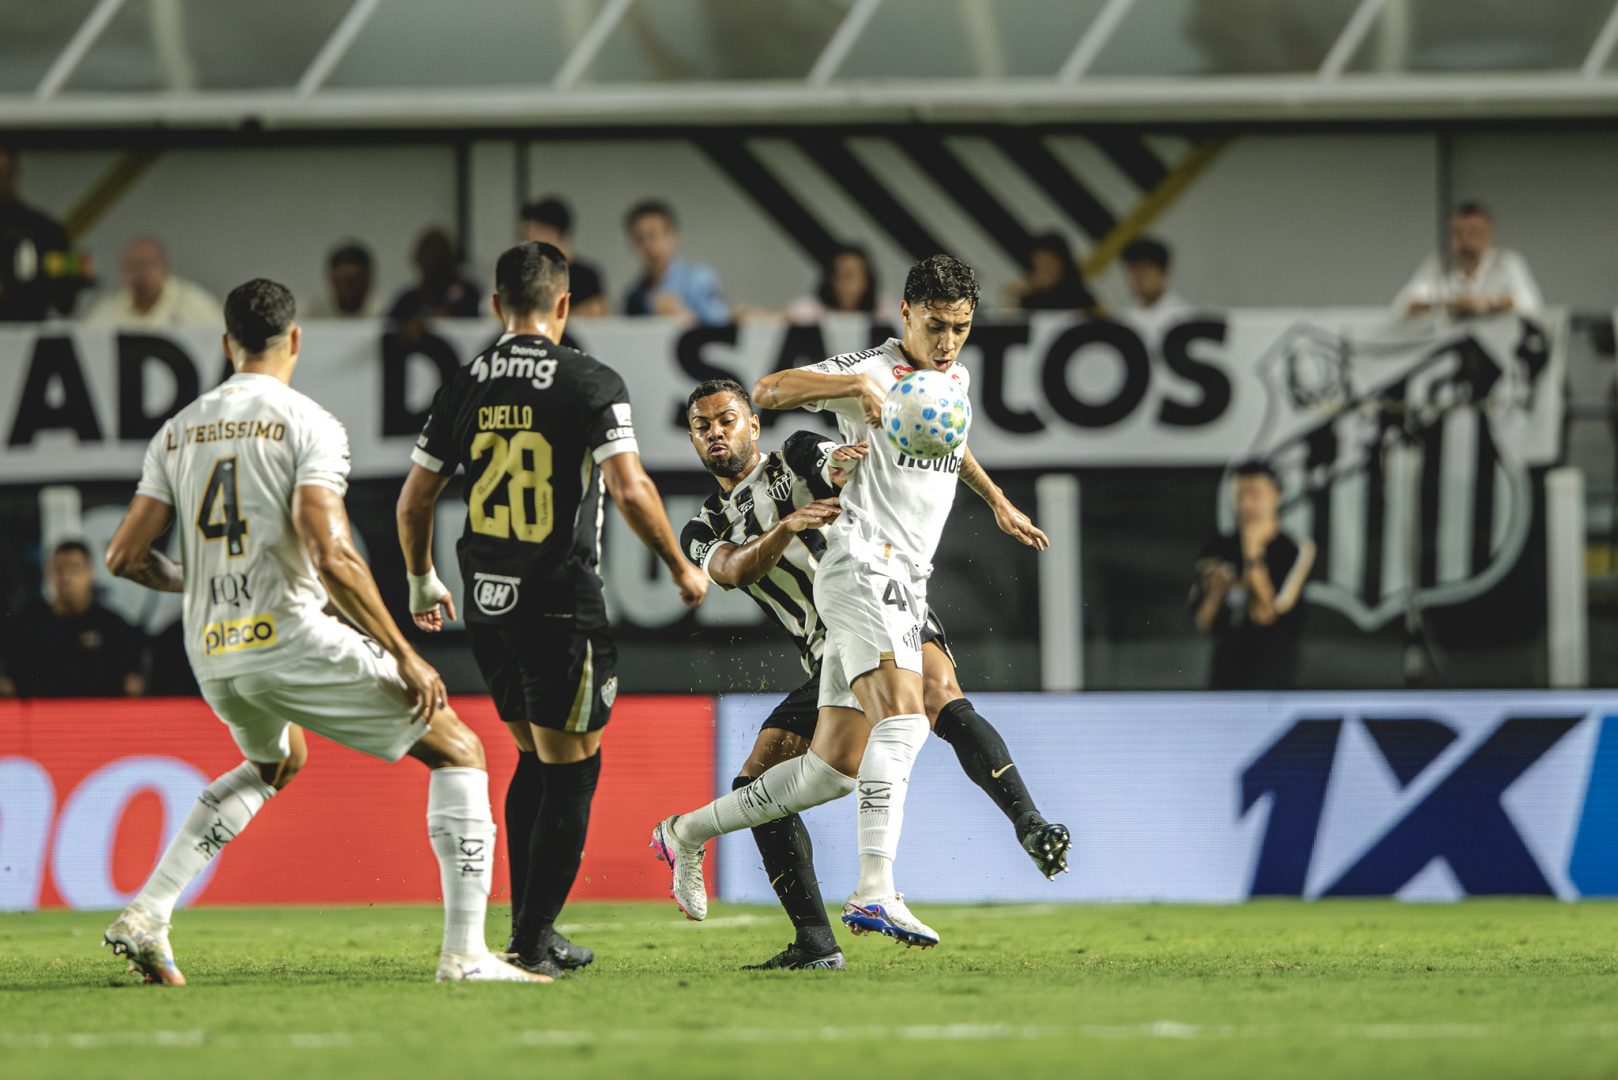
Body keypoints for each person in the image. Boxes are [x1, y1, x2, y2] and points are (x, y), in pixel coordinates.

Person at [100, 278, 542, 985]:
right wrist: (404, 654)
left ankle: (148, 912)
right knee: (459, 749)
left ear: (226, 345)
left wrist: (204, 577)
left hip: (212, 651)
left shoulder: (177, 431)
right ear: (296, 339)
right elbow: (332, 553)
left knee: (278, 762)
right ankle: (466, 955)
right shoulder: (307, 424)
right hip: (289, 636)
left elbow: (122, 556)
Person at [652, 254, 1048, 950]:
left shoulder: (944, 383)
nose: (949, 340)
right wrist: (852, 392)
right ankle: (868, 898)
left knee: (827, 774)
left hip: (859, 610)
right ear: (905, 315)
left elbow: (937, 441)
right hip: (868, 579)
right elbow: (774, 395)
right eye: (936, 325)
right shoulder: (709, 517)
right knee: (916, 715)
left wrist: (999, 501)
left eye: (961, 327)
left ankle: (684, 831)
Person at [397, 241, 707, 977]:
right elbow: (630, 490)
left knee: (535, 758)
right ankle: (533, 944)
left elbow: (415, 499)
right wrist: (679, 567)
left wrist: (419, 581)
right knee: (572, 773)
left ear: (497, 304)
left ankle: (527, 929)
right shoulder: (589, 379)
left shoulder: (465, 381)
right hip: (560, 603)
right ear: (563, 304)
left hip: (488, 603)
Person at [1191, 460, 1315, 690]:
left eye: (1255, 494)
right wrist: (1217, 593)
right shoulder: (1219, 547)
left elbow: (1267, 614)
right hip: (1225, 676)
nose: (1247, 504)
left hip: (1273, 677)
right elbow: (1203, 620)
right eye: (1240, 496)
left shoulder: (1295, 549)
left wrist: (1252, 551)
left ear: (1276, 495)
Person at [0, 539, 144, 698]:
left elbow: (132, 686)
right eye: (58, 568)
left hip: (100, 718)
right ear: (49, 573)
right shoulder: (28, 623)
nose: (65, 576)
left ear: (91, 573)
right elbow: (9, 685)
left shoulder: (113, 626)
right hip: (41, 718)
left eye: (74, 568)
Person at [1395, 201, 1543, 318]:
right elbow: (1401, 306)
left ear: (1489, 236)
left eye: (1474, 233)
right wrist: (1449, 306)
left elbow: (1530, 305)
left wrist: (1488, 305)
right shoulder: (1437, 264)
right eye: (1458, 233)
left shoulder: (1507, 263)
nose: (1466, 240)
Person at [0, 146, 84, 322]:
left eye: (4, 174)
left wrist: (17, 289)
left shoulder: (46, 229)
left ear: (15, 175)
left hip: (26, 332)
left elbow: (67, 293)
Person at [621, 200, 729, 326]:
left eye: (653, 236)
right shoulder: (634, 294)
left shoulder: (698, 278)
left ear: (671, 236)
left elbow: (721, 325)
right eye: (639, 238)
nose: (647, 245)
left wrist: (682, 315)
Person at [84, 236, 222, 328]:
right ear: (122, 269)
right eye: (132, 265)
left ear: (164, 266)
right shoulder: (106, 312)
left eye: (146, 264)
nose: (140, 272)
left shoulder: (196, 305)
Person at [521, 198, 607, 317]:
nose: (526, 243)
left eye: (530, 236)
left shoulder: (587, 276)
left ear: (552, 232)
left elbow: (597, 311)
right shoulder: (525, 276)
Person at [386, 227, 482, 323]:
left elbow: (477, 322)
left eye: (438, 259)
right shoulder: (410, 299)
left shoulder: (468, 292)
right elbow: (390, 326)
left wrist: (452, 314)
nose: (432, 264)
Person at [786, 244, 892, 323]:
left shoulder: (884, 312)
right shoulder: (812, 309)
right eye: (837, 275)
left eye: (849, 276)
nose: (843, 283)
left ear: (866, 279)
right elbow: (785, 318)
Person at [1005, 232, 1096, 312]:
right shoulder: (1029, 300)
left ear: (1063, 265)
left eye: (1047, 266)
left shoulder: (1082, 300)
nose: (1042, 274)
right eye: (1036, 267)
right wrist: (1012, 297)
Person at [303, 241, 378, 319]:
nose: (349, 289)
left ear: (368, 281)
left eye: (355, 282)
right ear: (331, 279)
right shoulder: (312, 315)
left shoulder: (382, 315)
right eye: (344, 281)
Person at [1120, 237, 1191, 319]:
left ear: (1163, 272)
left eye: (1143, 269)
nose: (1137, 278)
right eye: (1132, 271)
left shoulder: (1185, 317)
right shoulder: (1125, 319)